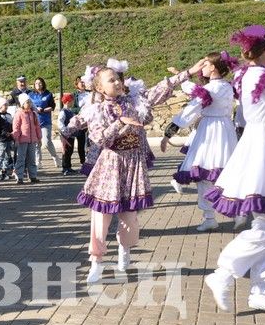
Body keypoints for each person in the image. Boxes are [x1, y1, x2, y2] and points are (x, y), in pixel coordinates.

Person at [203, 25, 265, 317]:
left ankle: (260, 291)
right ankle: (224, 271)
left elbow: (249, 115)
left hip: (258, 143)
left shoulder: (245, 76)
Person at [77, 59, 203, 283]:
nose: (117, 82)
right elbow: (100, 139)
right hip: (111, 165)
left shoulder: (135, 102)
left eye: (118, 78)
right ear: (99, 87)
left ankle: (124, 253)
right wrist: (120, 124)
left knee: (130, 217)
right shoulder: (96, 110)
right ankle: (96, 261)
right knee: (101, 216)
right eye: (111, 80)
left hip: (134, 165)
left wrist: (189, 72)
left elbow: (162, 88)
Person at [161, 51, 240, 232]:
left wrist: (168, 133)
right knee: (228, 172)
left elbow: (189, 111)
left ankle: (210, 217)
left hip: (210, 131)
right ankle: (238, 212)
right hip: (226, 129)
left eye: (204, 64)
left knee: (204, 173)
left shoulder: (209, 90)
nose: (201, 68)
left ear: (212, 67)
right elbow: (192, 90)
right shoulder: (228, 87)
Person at [29, 77, 59, 169]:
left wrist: (44, 110)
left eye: (40, 83)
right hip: (34, 121)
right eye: (36, 83)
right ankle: (38, 161)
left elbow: (52, 106)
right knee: (37, 142)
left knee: (46, 141)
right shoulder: (31, 94)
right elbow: (28, 106)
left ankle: (55, 157)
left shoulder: (48, 94)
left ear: (43, 84)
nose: (38, 85)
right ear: (34, 85)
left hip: (45, 121)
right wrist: (35, 109)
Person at [12, 94, 41, 184]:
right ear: (22, 104)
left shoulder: (33, 114)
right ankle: (19, 176)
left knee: (32, 159)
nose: (29, 104)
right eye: (27, 102)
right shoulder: (19, 113)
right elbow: (16, 127)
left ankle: (33, 176)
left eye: (30, 102)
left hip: (32, 139)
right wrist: (16, 138)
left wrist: (39, 138)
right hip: (22, 139)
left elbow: (37, 127)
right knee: (21, 158)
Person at [57, 93, 77, 176]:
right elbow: (60, 123)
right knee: (66, 151)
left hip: (71, 134)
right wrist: (64, 131)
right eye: (71, 101)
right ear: (68, 101)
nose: (73, 103)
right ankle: (65, 167)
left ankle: (68, 166)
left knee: (70, 150)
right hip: (66, 135)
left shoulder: (70, 111)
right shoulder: (63, 112)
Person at [0, 98, 15, 180]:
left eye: (7, 105)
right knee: (0, 155)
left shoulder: (9, 115)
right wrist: (3, 133)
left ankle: (4, 172)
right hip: (1, 139)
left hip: (9, 139)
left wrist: (11, 133)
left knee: (8, 156)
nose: (6, 106)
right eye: (4, 105)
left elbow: (12, 126)